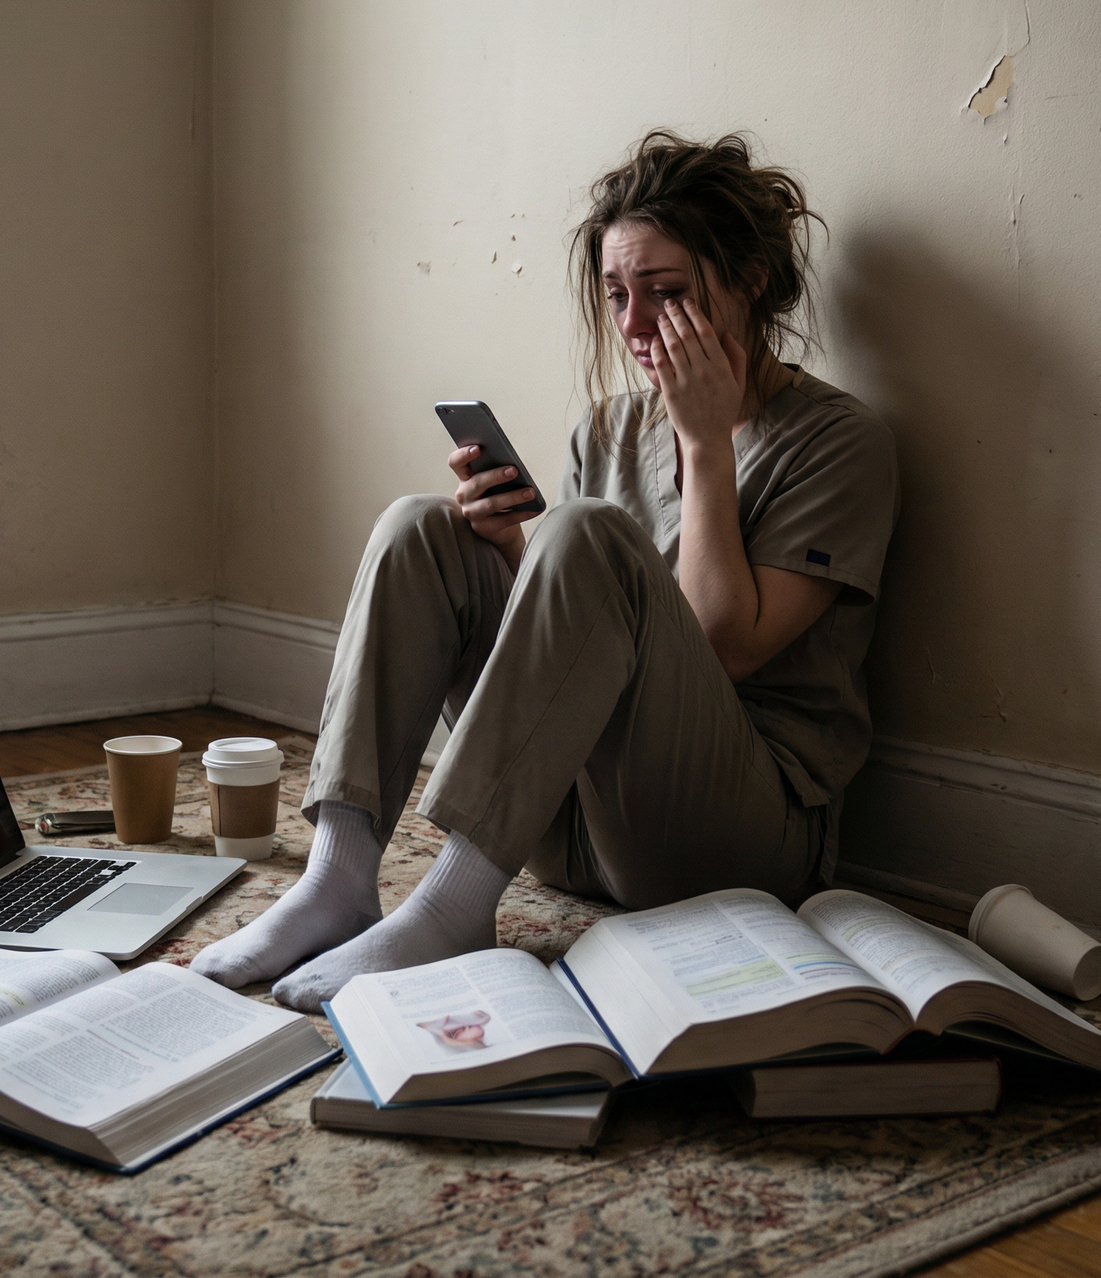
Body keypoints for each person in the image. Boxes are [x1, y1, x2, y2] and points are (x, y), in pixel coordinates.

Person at [191, 130, 900, 1013]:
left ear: (751, 280)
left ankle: (452, 908)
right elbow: (582, 647)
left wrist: (705, 444)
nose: (637, 327)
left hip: (730, 847)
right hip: (562, 826)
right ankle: (339, 881)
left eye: (667, 294)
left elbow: (723, 647)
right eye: (617, 297)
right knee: (422, 528)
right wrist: (504, 561)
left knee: (588, 531)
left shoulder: (839, 444)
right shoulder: (605, 429)